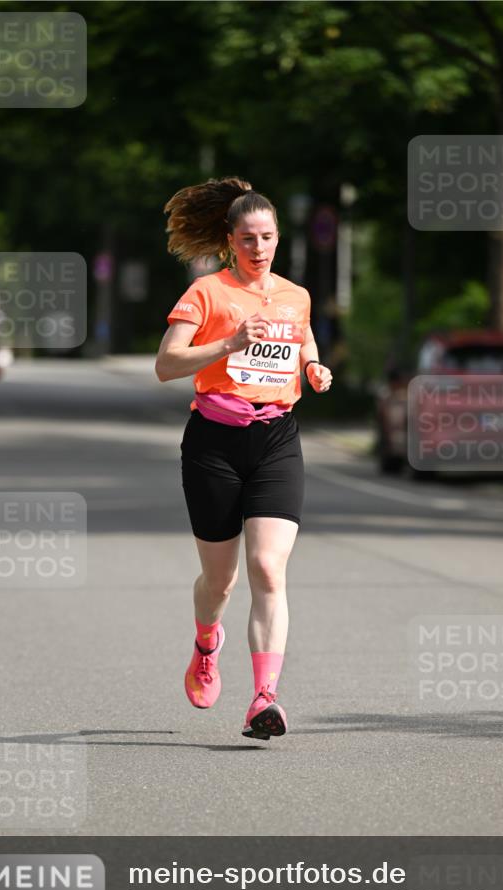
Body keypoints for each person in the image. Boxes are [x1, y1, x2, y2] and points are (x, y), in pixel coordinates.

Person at [156, 176, 333, 741]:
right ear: (230, 240)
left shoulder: (295, 295)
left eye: (269, 237)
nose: (260, 248)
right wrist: (230, 343)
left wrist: (313, 367)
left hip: (277, 437)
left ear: (279, 240)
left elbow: (301, 338)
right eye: (249, 238)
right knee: (221, 580)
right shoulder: (206, 293)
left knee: (267, 568)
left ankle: (264, 698)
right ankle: (207, 642)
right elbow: (167, 363)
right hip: (215, 441)